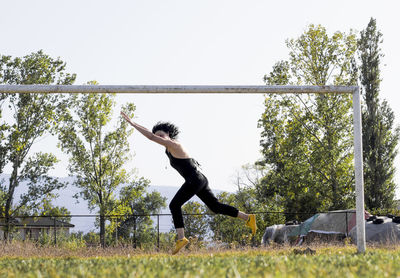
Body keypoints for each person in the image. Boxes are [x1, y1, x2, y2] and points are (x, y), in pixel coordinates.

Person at [121, 112, 256, 254]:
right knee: (215, 207)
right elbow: (151, 134)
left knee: (174, 205)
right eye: (157, 136)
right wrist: (140, 126)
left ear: (168, 133)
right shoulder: (168, 148)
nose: (158, 138)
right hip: (199, 179)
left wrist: (132, 123)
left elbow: (150, 136)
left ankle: (181, 238)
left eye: (161, 135)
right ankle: (248, 218)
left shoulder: (173, 144)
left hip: (195, 179)